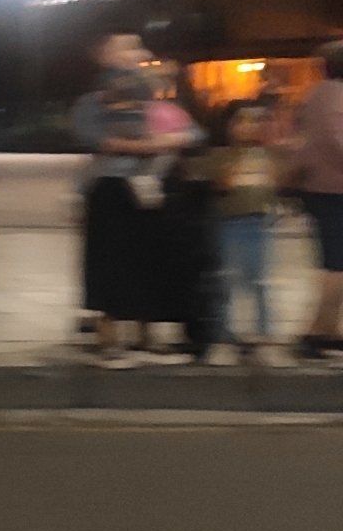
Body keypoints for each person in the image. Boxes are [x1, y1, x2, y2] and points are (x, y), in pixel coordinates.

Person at [72, 32, 204, 366]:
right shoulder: (93, 101)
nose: (136, 53)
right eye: (126, 47)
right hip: (111, 186)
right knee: (109, 262)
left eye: (137, 46)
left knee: (148, 259)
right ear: (104, 55)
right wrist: (149, 145)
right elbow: (95, 138)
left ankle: (147, 334)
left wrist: (163, 140)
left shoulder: (154, 99)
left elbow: (192, 133)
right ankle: (109, 337)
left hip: (148, 188)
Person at [204, 101, 286, 366]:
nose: (249, 127)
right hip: (229, 223)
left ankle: (264, 338)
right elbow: (221, 184)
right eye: (242, 121)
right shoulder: (223, 155)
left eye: (256, 121)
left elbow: (277, 185)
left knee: (259, 282)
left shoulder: (268, 156)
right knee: (226, 281)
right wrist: (239, 158)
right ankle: (224, 339)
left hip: (258, 223)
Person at [291, 38, 343, 361]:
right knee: (337, 264)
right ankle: (315, 333)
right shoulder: (336, 96)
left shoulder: (316, 95)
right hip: (335, 189)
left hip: (318, 186)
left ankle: (329, 330)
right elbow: (338, 141)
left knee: (334, 262)